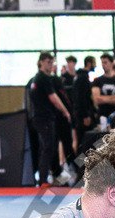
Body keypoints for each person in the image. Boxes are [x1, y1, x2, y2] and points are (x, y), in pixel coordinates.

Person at [28, 52, 71, 187]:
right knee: (48, 148)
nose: (50, 65)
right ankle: (43, 180)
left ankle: (43, 178)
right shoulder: (43, 78)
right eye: (47, 62)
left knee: (45, 147)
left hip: (40, 117)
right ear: (41, 62)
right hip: (44, 118)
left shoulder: (35, 79)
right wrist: (65, 112)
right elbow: (54, 98)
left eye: (52, 62)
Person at [91, 53, 115, 123]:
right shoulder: (97, 81)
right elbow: (97, 99)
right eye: (102, 63)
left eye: (105, 62)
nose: (103, 65)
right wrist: (113, 98)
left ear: (111, 64)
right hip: (102, 115)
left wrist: (103, 98)